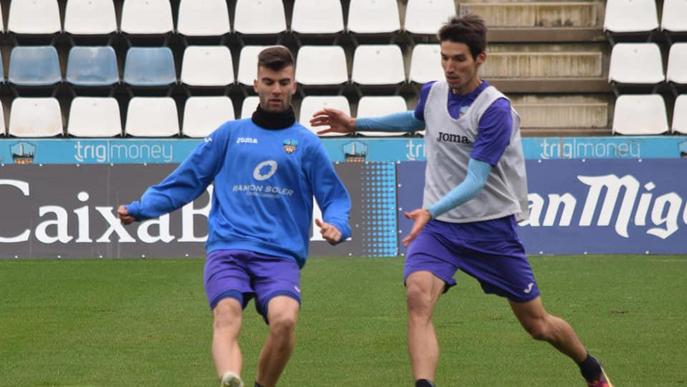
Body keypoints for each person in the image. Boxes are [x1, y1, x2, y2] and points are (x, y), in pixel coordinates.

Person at [310, 14, 612, 387]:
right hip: (438, 229)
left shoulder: (495, 111)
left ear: (480, 58)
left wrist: (431, 209)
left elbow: (476, 179)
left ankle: (590, 367)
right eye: (444, 58)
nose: (450, 67)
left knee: (538, 325)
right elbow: (414, 118)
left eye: (459, 59)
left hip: (490, 230)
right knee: (418, 297)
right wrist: (356, 124)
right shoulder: (433, 91)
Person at [118, 46, 351, 387]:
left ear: (294, 86)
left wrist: (338, 225)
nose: (275, 89)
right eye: (268, 81)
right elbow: (187, 180)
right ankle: (230, 379)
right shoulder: (229, 134)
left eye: (283, 82)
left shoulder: (307, 144)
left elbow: (334, 197)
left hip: (280, 254)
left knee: (285, 321)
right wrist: (141, 208)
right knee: (226, 315)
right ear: (255, 83)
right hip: (228, 249)